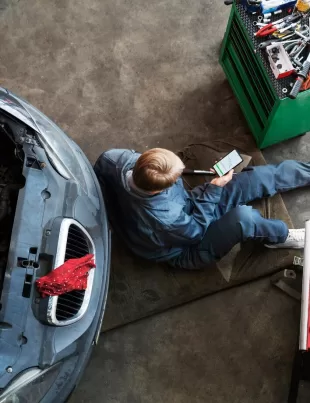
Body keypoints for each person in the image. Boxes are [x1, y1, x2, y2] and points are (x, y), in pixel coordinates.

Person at [94, 148, 307, 270]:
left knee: (258, 178)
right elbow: (195, 233)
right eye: (177, 177)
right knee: (244, 218)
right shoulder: (164, 219)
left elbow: (99, 177)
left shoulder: (114, 158)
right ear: (158, 190)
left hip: (187, 209)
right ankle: (280, 236)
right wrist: (214, 190)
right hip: (185, 247)